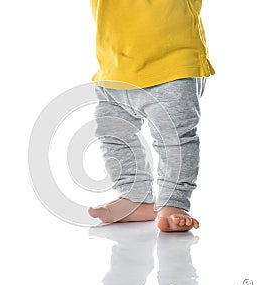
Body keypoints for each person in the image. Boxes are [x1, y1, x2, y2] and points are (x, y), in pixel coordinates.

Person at [88, 0, 215, 232]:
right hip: (114, 65)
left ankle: (174, 202)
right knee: (113, 134)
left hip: (171, 62)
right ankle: (135, 197)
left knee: (174, 137)